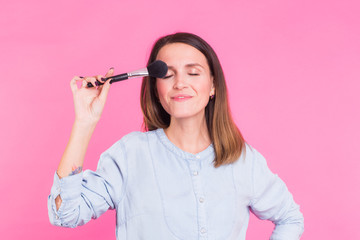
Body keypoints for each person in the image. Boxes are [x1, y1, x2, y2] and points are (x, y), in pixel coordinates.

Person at [48, 32, 304, 239]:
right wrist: (84, 121)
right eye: (167, 74)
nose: (180, 83)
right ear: (155, 87)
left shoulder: (243, 160)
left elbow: (290, 218)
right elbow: (64, 214)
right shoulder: (130, 154)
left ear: (213, 85)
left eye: (193, 72)